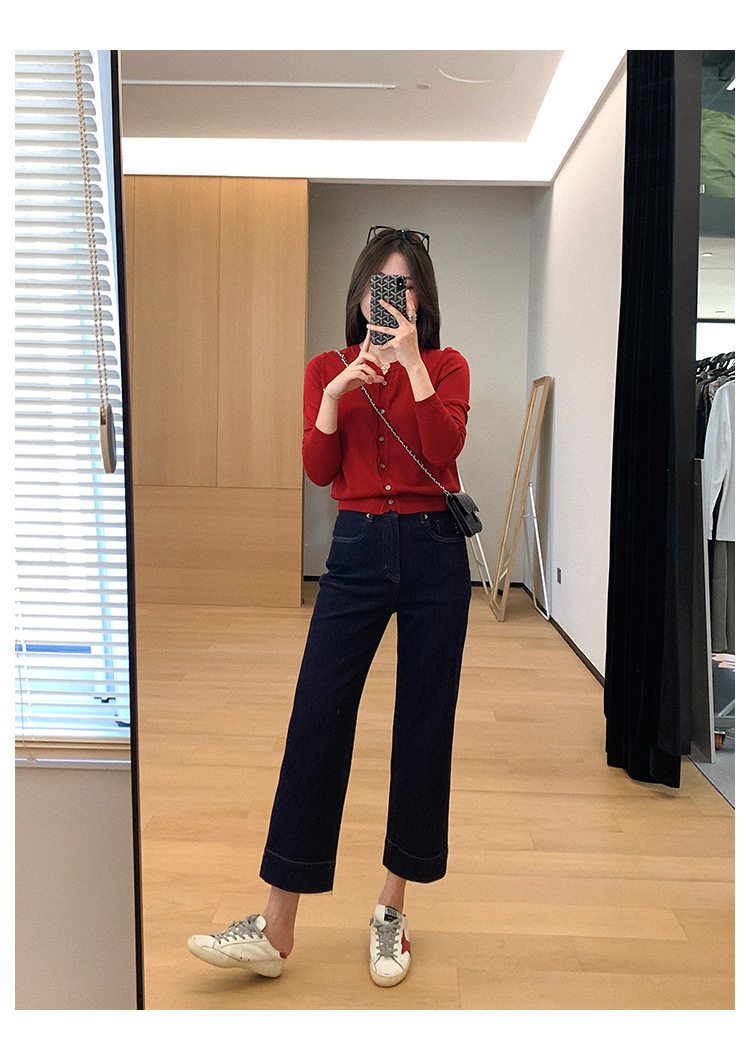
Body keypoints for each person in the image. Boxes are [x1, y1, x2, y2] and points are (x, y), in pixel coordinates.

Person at [188, 225, 472, 988]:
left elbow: (443, 452)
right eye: (381, 286)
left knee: (423, 723)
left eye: (405, 289)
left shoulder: (446, 365)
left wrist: (412, 364)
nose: (392, 301)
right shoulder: (326, 368)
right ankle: (276, 924)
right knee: (317, 715)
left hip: (435, 551)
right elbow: (319, 471)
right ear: (360, 294)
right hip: (356, 547)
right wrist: (336, 395)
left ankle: (392, 906)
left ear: (422, 300)